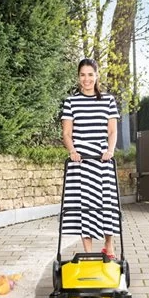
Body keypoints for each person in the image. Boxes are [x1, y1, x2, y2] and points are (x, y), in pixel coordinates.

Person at [60, 58, 121, 258]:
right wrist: (72, 151)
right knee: (84, 206)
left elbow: (112, 131)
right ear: (78, 77)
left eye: (90, 74)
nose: (86, 79)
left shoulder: (108, 100)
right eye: (82, 75)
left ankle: (109, 247)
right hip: (81, 161)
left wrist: (110, 150)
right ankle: (88, 254)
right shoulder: (71, 102)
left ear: (96, 76)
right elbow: (67, 133)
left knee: (106, 204)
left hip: (102, 159)